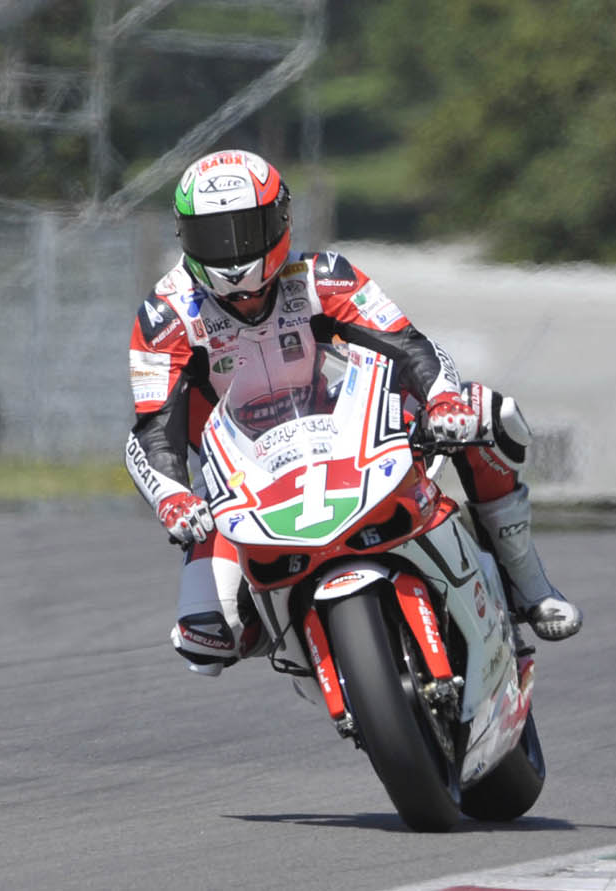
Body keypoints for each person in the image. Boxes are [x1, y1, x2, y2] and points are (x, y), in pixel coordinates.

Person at [123, 150, 581, 676]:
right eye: (212, 236)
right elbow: (154, 428)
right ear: (184, 237)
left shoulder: (325, 275)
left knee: (490, 414)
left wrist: (443, 401)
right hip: (239, 474)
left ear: (280, 220)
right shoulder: (164, 317)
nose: (232, 254)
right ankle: (294, 635)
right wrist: (174, 497)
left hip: (349, 430)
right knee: (208, 638)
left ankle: (528, 585)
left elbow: (408, 345)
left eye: (245, 230)